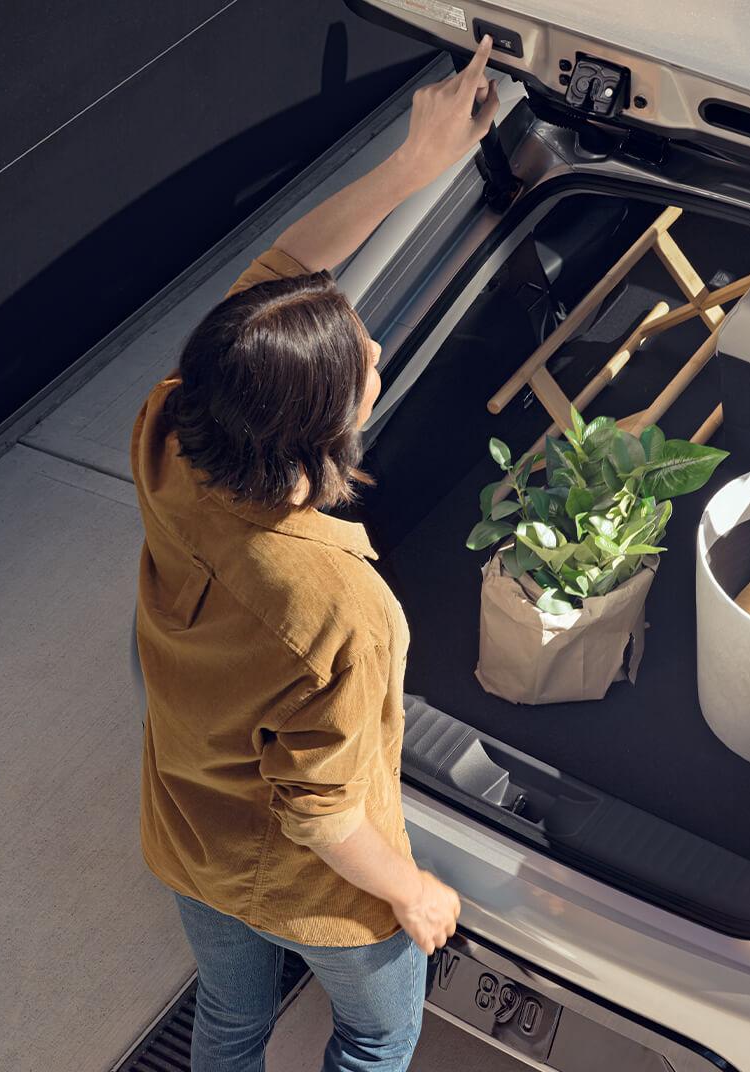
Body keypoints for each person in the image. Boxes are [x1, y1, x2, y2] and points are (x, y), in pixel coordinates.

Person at [129, 38, 500, 1072]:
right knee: (378, 1034)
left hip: (188, 836)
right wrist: (412, 892)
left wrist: (411, 166)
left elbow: (287, 273)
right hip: (315, 894)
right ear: (320, 433)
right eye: (360, 362)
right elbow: (323, 814)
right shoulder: (340, 602)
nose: (373, 348)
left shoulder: (172, 430)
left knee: (232, 1017)